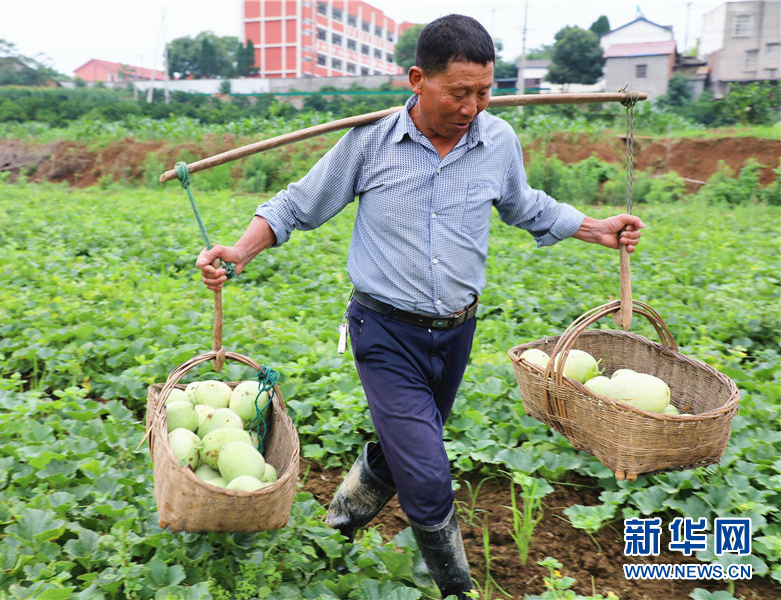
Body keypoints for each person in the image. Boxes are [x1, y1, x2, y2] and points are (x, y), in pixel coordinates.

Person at [196, 14, 645, 600]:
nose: (472, 106)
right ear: (417, 80)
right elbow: (296, 205)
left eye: (484, 92)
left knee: (403, 445)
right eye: (459, 92)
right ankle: (458, 589)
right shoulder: (370, 141)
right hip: (383, 330)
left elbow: (525, 205)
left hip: (456, 331)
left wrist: (596, 229)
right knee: (428, 471)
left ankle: (338, 527)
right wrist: (241, 251)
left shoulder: (496, 142)